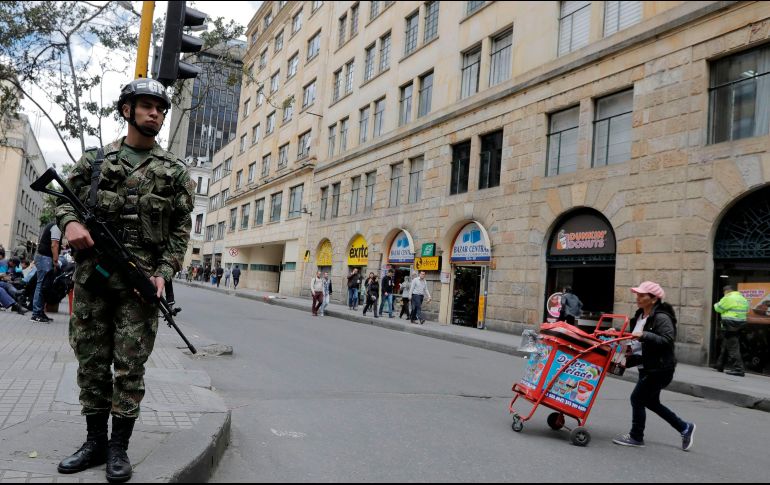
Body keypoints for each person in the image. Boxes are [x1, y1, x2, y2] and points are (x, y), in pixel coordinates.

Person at [54, 78, 194, 482]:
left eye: (160, 108)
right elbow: (63, 198)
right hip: (93, 280)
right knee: (91, 362)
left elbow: (181, 230)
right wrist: (70, 224)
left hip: (139, 287)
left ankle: (118, 448)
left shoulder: (174, 172)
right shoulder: (96, 161)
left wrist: (163, 273)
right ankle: (95, 442)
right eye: (146, 105)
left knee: (129, 368)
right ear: (126, 111)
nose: (155, 113)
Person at [612, 281, 695, 451]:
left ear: (654, 299)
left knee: (637, 398)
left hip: (660, 368)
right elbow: (635, 339)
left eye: (642, 295)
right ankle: (685, 427)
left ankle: (636, 436)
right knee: (651, 402)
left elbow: (667, 340)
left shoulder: (662, 317)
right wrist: (619, 335)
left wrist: (644, 335)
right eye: (637, 294)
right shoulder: (640, 316)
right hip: (647, 366)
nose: (638, 298)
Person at [714, 285, 749, 377]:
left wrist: (717, 304)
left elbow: (718, 308)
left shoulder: (728, 297)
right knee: (726, 343)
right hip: (740, 324)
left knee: (733, 346)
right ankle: (720, 365)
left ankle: (739, 369)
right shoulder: (742, 298)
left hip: (730, 324)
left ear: (726, 291)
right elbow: (747, 309)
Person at [30, 222, 61, 323]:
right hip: (45, 258)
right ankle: (36, 314)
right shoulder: (56, 227)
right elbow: (54, 245)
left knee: (44, 286)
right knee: (41, 285)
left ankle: (39, 312)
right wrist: (56, 261)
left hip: (44, 257)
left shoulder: (53, 226)